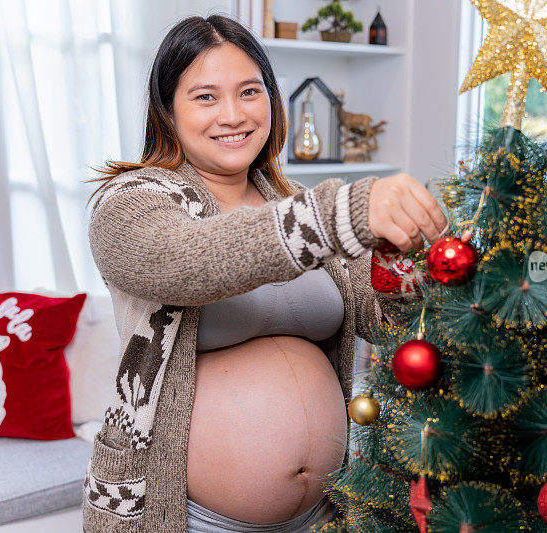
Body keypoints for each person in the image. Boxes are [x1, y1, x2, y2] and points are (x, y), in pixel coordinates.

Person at [83, 14, 447, 533]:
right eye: (205, 96)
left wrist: (409, 253)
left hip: (326, 514)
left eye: (249, 92)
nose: (232, 114)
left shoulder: (296, 206)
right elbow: (195, 260)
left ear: (273, 103)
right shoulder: (130, 205)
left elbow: (388, 319)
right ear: (167, 112)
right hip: (190, 519)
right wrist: (345, 211)